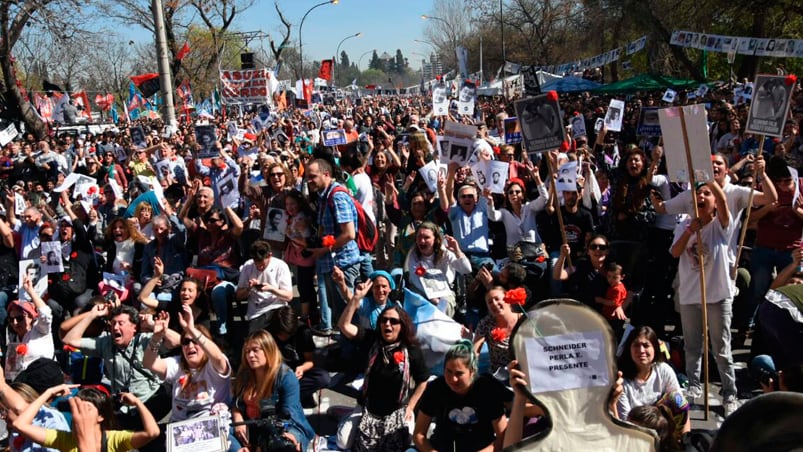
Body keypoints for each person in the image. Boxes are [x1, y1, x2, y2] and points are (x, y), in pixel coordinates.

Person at [669, 181, 739, 416]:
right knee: (692, 346)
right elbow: (675, 252)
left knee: (721, 348)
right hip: (691, 296)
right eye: (698, 193)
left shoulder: (722, 224)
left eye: (707, 194)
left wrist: (708, 179)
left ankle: (730, 393)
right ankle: (694, 386)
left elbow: (722, 201)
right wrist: (689, 231)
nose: (702, 196)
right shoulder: (685, 224)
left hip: (717, 296)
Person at [337, 287, 429, 451]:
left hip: (398, 411)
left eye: (393, 321)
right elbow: (344, 326)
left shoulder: (412, 351)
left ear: (402, 325)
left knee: (402, 443)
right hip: (368, 407)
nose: (388, 324)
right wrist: (356, 299)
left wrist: (410, 407)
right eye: (384, 320)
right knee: (343, 442)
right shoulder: (372, 340)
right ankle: (347, 416)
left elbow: (423, 381)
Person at [62, 304, 178, 430]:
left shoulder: (145, 340)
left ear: (134, 327)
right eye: (113, 323)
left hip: (151, 401)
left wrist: (153, 326)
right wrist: (91, 315)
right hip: (124, 405)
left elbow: (177, 342)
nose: (115, 327)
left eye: (121, 323)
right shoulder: (105, 343)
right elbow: (69, 340)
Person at [142, 306, 239, 451]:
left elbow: (218, 356)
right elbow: (149, 363)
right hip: (180, 430)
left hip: (212, 428)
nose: (190, 346)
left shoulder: (214, 365)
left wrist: (192, 329)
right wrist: (156, 337)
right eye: (186, 342)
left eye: (196, 342)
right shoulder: (177, 364)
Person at [414, 340, 510, 452]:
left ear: (472, 372)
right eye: (448, 372)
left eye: (459, 374)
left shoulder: (487, 389)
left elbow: (503, 438)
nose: (453, 379)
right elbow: (419, 434)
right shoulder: (436, 388)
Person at [231, 330, 314, 452]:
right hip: (249, 430)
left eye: (255, 350)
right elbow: (235, 402)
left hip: (278, 428)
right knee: (224, 436)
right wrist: (238, 418)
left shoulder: (285, 376)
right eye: (247, 351)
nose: (250, 355)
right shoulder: (245, 373)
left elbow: (290, 413)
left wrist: (289, 436)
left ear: (268, 350)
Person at [12, 385, 160, 451]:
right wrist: (47, 393)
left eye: (86, 408)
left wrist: (137, 402)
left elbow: (152, 433)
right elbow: (20, 424)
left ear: (100, 416)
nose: (79, 412)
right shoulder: (66, 440)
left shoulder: (113, 440)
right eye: (76, 407)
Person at [306, 158, 361, 334]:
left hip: (342, 264)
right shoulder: (324, 196)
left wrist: (323, 250)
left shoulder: (337, 196)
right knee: (339, 316)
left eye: (312, 176)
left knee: (346, 316)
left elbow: (349, 233)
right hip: (331, 263)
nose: (309, 180)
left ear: (326, 174)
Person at [614, 326, 686, 425]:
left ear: (655, 348)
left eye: (646, 345)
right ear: (629, 349)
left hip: (661, 425)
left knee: (678, 400)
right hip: (634, 430)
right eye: (636, 345)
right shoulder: (621, 379)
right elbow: (626, 420)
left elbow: (681, 404)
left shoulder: (664, 370)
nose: (641, 350)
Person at [267, 306, 330, 409]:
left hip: (296, 373)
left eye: (288, 334)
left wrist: (302, 368)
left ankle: (296, 395)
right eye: (281, 334)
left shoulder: (303, 332)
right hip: (274, 374)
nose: (284, 337)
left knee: (323, 378)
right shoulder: (267, 333)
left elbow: (310, 360)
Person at [405, 222, 471, 316]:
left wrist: (457, 251)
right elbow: (415, 280)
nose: (422, 241)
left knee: (444, 307)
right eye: (419, 237)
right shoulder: (413, 254)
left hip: (444, 291)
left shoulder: (446, 253)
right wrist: (431, 297)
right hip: (420, 290)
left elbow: (466, 269)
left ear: (435, 239)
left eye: (426, 237)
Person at [235, 240, 293, 332]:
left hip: (277, 307)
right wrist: (249, 288)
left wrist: (271, 289)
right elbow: (238, 295)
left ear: (269, 255)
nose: (260, 268)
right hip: (257, 311)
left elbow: (289, 296)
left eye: (262, 265)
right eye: (257, 265)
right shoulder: (248, 266)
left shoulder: (281, 266)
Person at [4, 277, 54, 381]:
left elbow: (46, 313)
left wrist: (30, 291)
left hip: (45, 377)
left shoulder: (40, 330)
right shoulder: (14, 339)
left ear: (31, 317)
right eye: (11, 319)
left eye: (19, 318)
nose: (15, 323)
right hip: (24, 383)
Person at [473, 286, 524, 375]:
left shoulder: (525, 320)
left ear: (507, 300)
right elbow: (475, 352)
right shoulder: (486, 323)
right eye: (490, 302)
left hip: (524, 371)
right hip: (500, 375)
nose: (494, 303)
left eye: (497, 299)